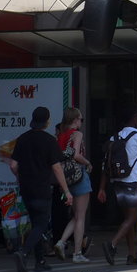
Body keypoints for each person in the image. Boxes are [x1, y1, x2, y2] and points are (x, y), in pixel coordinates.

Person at [8, 106, 73, 272]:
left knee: (35, 223)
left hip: (26, 188)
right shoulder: (49, 140)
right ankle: (23, 252)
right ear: (47, 121)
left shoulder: (22, 139)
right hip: (42, 187)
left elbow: (13, 165)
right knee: (41, 224)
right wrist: (66, 190)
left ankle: (40, 261)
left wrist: (20, 177)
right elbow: (57, 168)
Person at [99, 109, 137, 266]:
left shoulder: (114, 137)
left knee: (128, 218)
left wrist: (102, 188)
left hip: (117, 182)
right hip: (133, 181)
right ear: (134, 118)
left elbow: (105, 165)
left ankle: (131, 254)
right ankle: (112, 245)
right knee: (132, 218)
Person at [52, 106, 94, 263]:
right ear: (75, 120)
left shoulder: (61, 136)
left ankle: (61, 242)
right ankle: (77, 253)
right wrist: (88, 163)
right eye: (81, 119)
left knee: (76, 216)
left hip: (66, 177)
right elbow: (76, 155)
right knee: (81, 216)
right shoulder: (77, 134)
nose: (81, 122)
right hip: (78, 175)